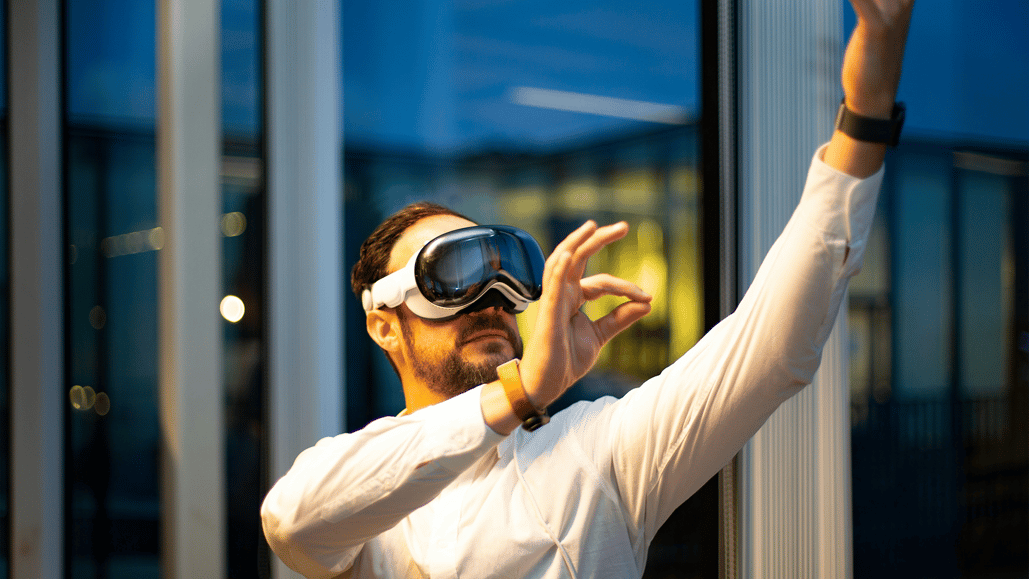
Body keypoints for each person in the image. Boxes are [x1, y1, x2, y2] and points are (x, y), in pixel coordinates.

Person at [262, 1, 915, 577]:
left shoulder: (592, 449)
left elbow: (774, 347)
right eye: (453, 273)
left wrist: (863, 118)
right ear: (383, 322)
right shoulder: (365, 484)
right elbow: (292, 522)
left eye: (502, 271)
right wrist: (521, 390)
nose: (490, 296)